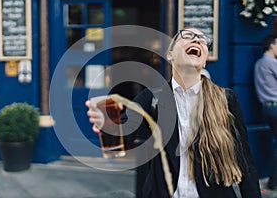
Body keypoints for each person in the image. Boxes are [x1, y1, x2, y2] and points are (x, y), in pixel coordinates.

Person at [86, 27, 261, 198]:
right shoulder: (151, 98)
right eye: (187, 35)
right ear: (170, 55)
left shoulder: (226, 99)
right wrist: (109, 125)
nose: (197, 40)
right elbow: (128, 128)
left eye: (203, 40)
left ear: (205, 60)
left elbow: (244, 159)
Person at [254, 34, 277, 190]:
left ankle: (273, 180)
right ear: (272, 45)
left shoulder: (259, 63)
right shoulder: (271, 62)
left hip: (267, 108)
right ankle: (274, 181)